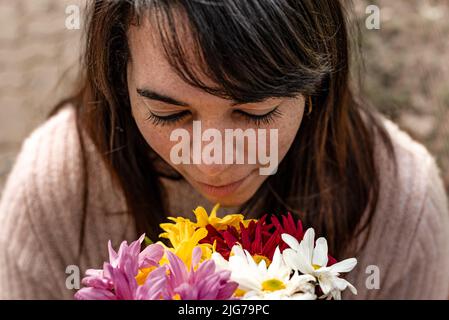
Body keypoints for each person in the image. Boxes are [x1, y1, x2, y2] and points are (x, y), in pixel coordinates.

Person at [0, 0, 448, 300]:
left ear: (317, 87)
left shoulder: (400, 205)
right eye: (169, 114)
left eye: (256, 113)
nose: (213, 162)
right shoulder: (52, 196)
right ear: (120, 79)